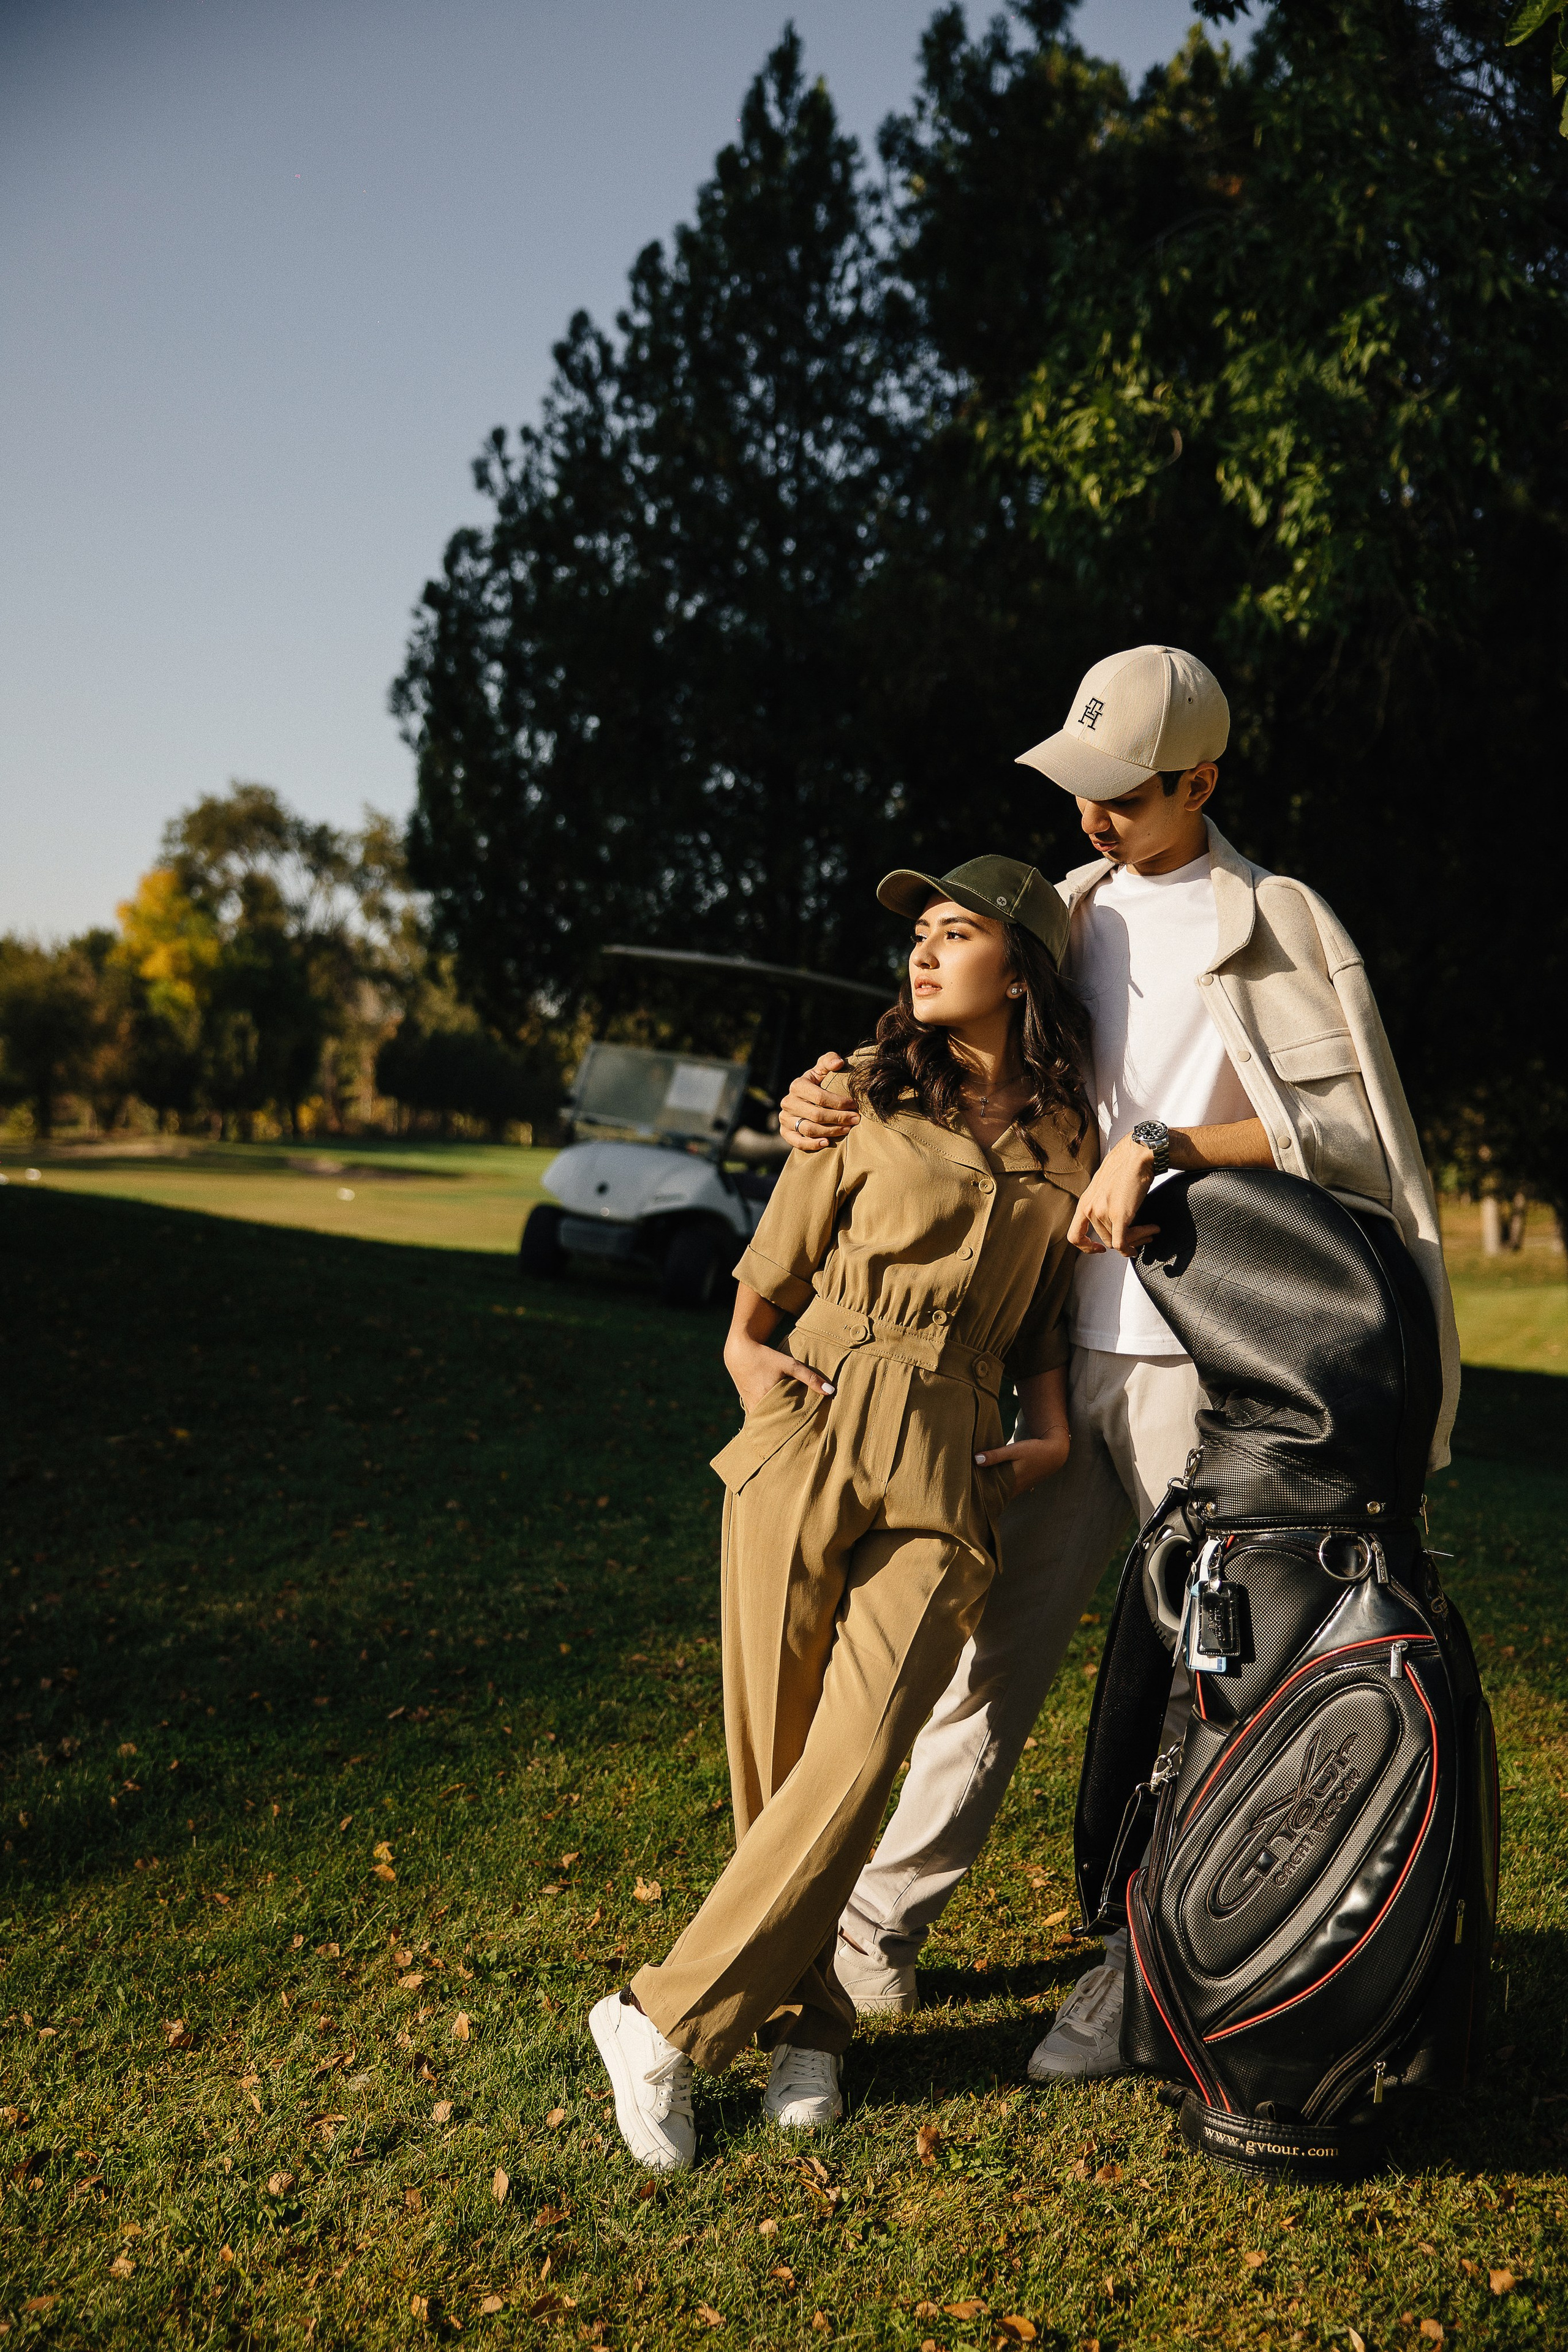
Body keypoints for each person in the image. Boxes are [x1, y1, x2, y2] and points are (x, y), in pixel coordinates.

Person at [777, 642, 1461, 2081]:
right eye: (1079, 787)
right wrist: (829, 1090)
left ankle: (1162, 1963)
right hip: (1045, 1353)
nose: (1091, 817)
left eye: (1125, 794)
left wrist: (1160, 1146)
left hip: (1206, 1376)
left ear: (1198, 783)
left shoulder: (1271, 920)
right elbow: (956, 1052)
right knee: (983, 1662)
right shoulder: (1069, 910)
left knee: (1200, 1686)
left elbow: (1337, 1136)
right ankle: (869, 1942)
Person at [590, 855, 1095, 2169]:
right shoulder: (858, 1091)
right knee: (775, 1763)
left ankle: (654, 2020)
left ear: (1022, 968)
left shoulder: (1066, 1134)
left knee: (861, 1748)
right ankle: (812, 2026)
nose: (922, 955)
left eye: (953, 934)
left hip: (951, 1459)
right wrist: (745, 1356)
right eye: (916, 936)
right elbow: (770, 1268)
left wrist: (1047, 1426)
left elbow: (1044, 1312)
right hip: (813, 1417)